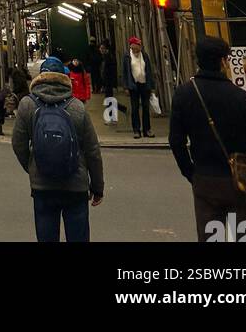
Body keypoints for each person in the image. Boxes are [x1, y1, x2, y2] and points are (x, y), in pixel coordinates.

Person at [168, 34, 246, 242]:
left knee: (210, 238)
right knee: (245, 236)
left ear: (198, 60)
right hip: (240, 179)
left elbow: (176, 140)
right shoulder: (242, 98)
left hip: (205, 178)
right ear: (223, 61)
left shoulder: (184, 95)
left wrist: (190, 172)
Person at [12, 55, 104, 243]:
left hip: (43, 185)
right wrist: (97, 187)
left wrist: (33, 166)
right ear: (64, 78)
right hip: (76, 185)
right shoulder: (77, 107)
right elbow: (93, 151)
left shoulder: (27, 105)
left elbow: (18, 143)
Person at [122, 36, 155, 138]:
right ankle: (136, 130)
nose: (138, 49)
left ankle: (147, 130)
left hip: (145, 84)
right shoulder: (127, 57)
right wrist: (126, 87)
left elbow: (149, 71)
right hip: (133, 86)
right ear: (132, 47)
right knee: (135, 108)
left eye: (139, 47)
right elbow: (125, 72)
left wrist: (152, 86)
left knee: (146, 108)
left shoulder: (144, 55)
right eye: (136, 47)